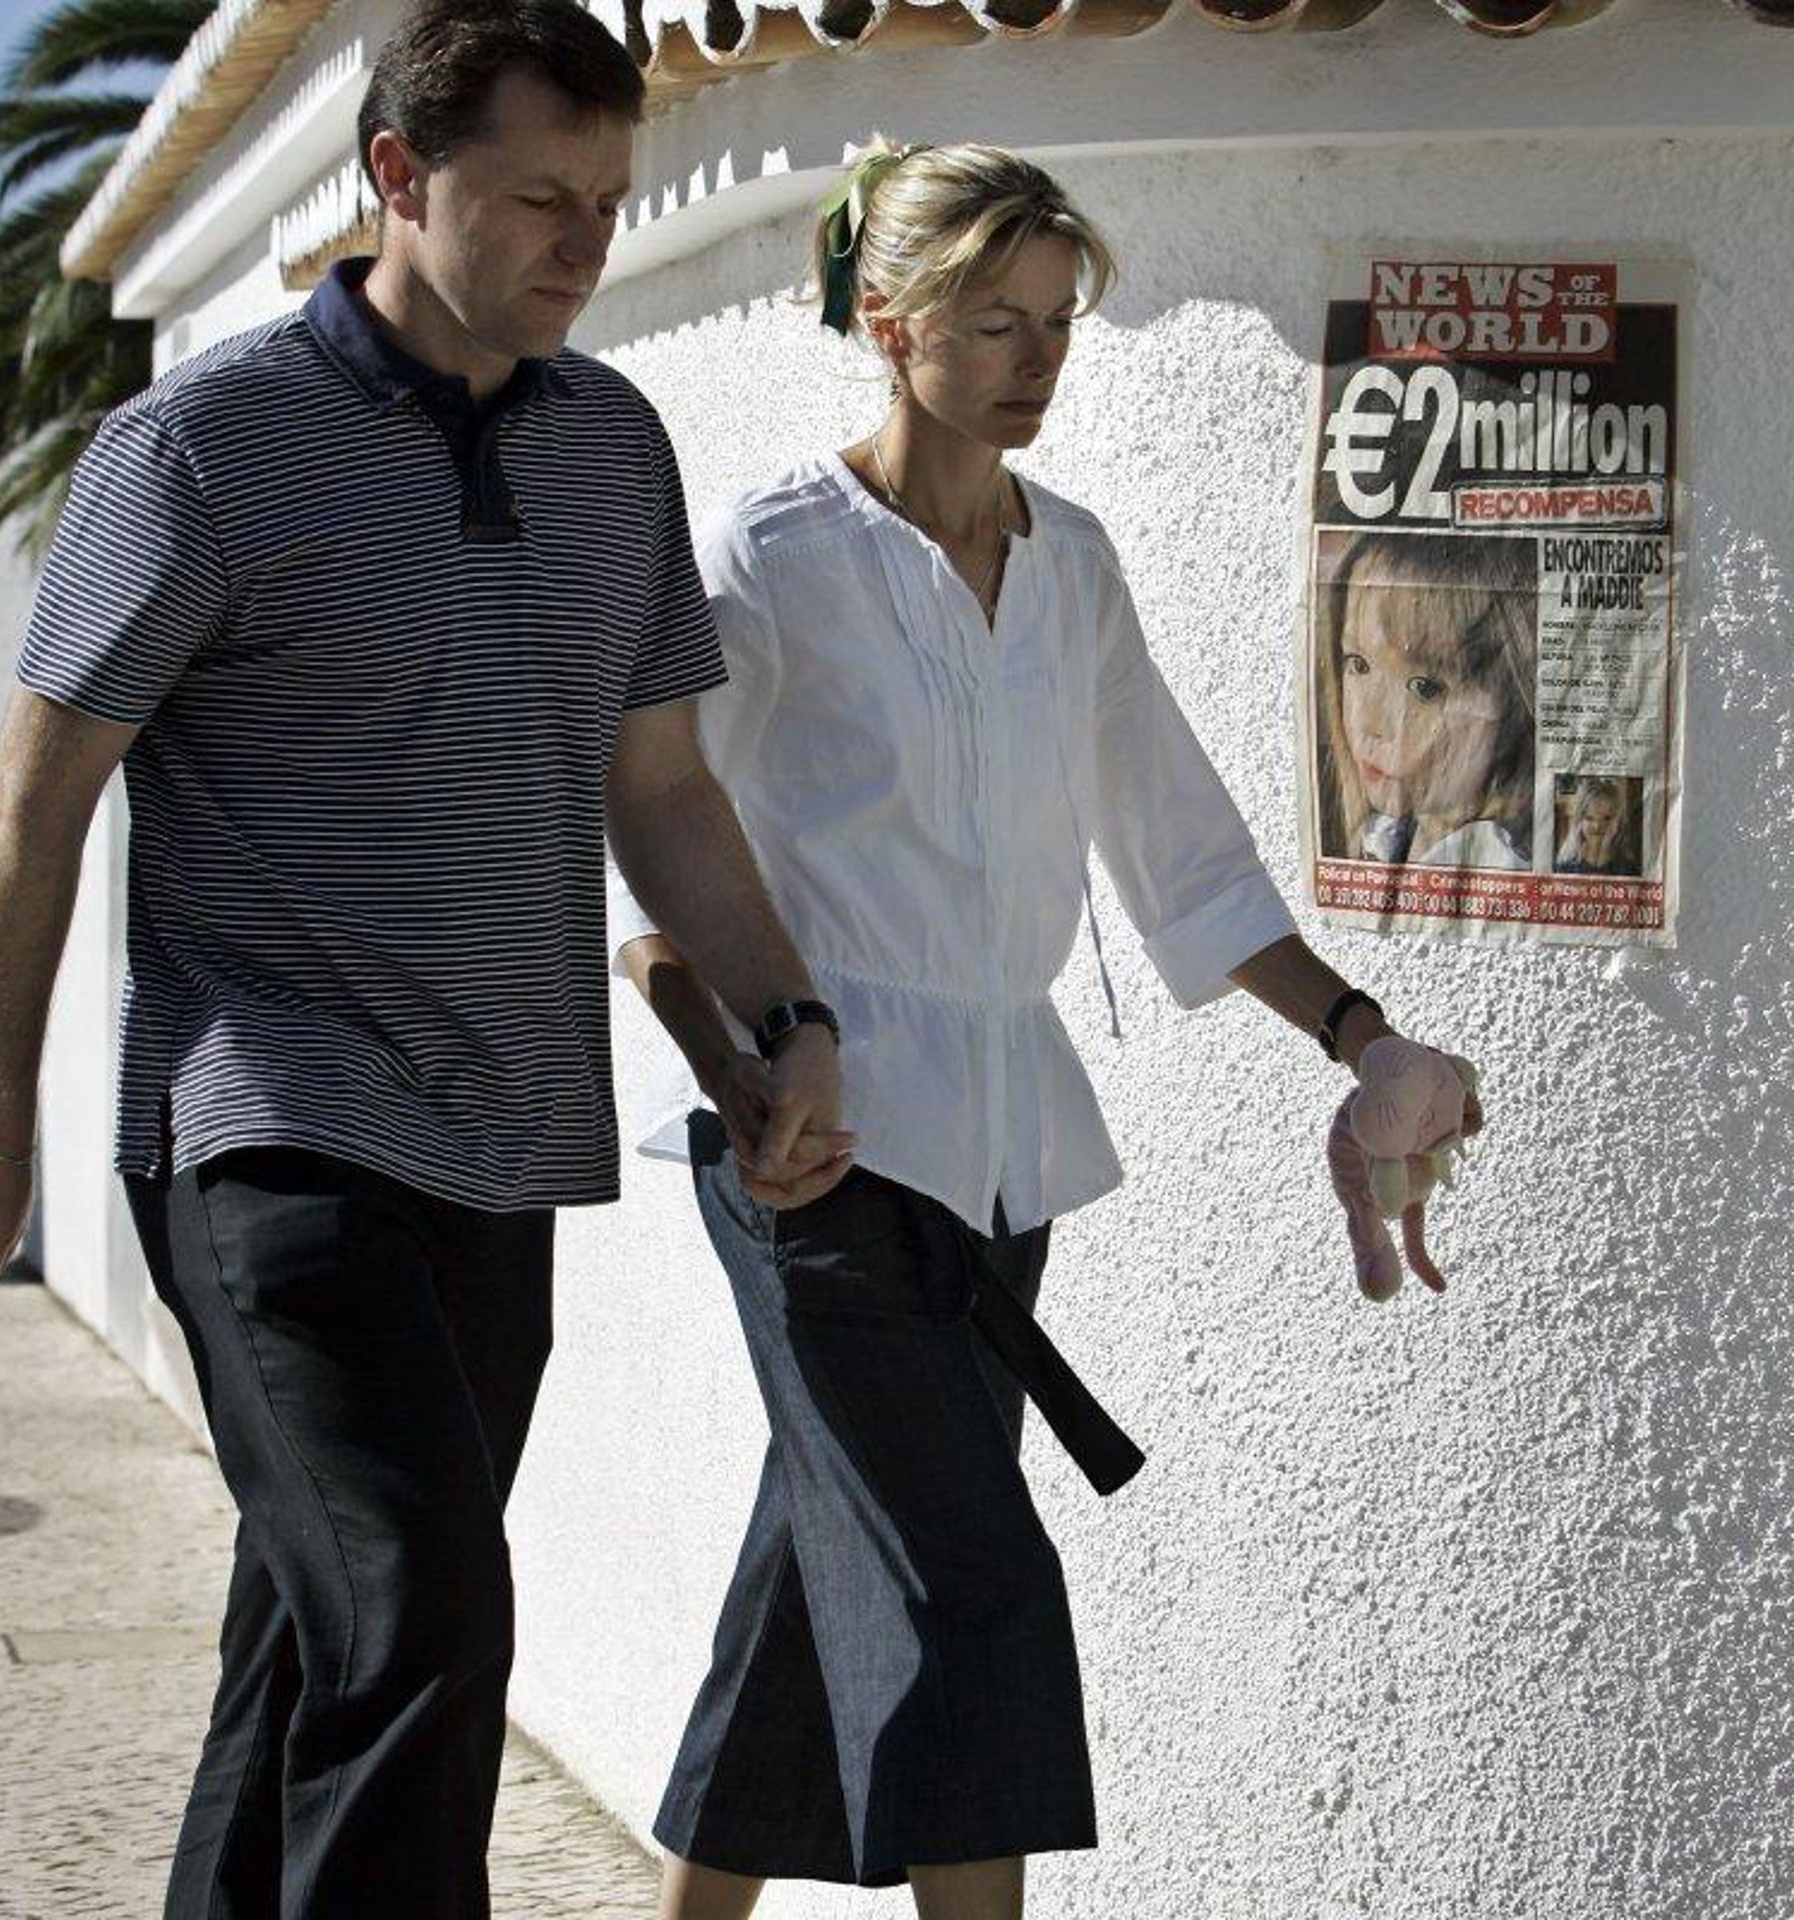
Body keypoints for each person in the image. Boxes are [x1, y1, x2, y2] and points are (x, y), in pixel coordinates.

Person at [0, 5, 845, 1916]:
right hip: (264, 1133)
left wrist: (782, 1019)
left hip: (506, 1145)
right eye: (541, 197)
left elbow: (660, 787)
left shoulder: (613, 448)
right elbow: (37, 801)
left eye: (610, 201)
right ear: (397, 178)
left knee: (317, 1635)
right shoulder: (197, 451)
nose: (586, 241)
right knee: (423, 1611)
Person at [610, 141, 1483, 1920]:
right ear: (889, 320)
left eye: (1057, 321)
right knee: (971, 1589)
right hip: (816, 1158)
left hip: (1006, 1152)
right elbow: (639, 860)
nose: (1036, 359)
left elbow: (1183, 851)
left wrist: (1362, 1038)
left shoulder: (1072, 563)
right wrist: (737, 1066)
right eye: (992, 320)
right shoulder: (770, 555)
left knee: (816, 1580)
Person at [1315, 529, 1537, 871]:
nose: (1369, 724)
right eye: (1357, 664)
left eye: (1425, 688)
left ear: (1514, 709)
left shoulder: (1499, 865)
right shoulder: (1386, 834)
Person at [1555, 775, 1638, 874]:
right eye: (1589, 818)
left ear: (1619, 822)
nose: (1597, 826)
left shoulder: (1629, 869)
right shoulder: (1564, 868)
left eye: (1607, 818)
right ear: (1579, 822)